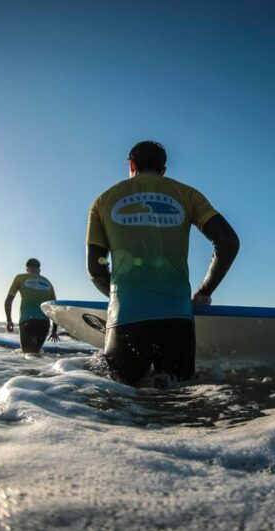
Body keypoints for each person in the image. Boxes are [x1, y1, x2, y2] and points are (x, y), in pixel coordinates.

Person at [86, 140, 239, 384]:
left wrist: (121, 296)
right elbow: (228, 242)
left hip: (127, 316)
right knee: (178, 402)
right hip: (177, 316)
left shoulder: (103, 201)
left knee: (122, 404)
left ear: (131, 164)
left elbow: (95, 269)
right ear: (163, 170)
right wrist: (204, 291)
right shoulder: (189, 195)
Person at [4, 258, 59, 353]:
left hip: (28, 320)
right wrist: (54, 331)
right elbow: (55, 308)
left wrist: (9, 321)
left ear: (27, 269)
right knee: (36, 354)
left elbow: (8, 301)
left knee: (27, 355)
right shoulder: (47, 282)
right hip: (44, 323)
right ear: (39, 270)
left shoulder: (20, 278)